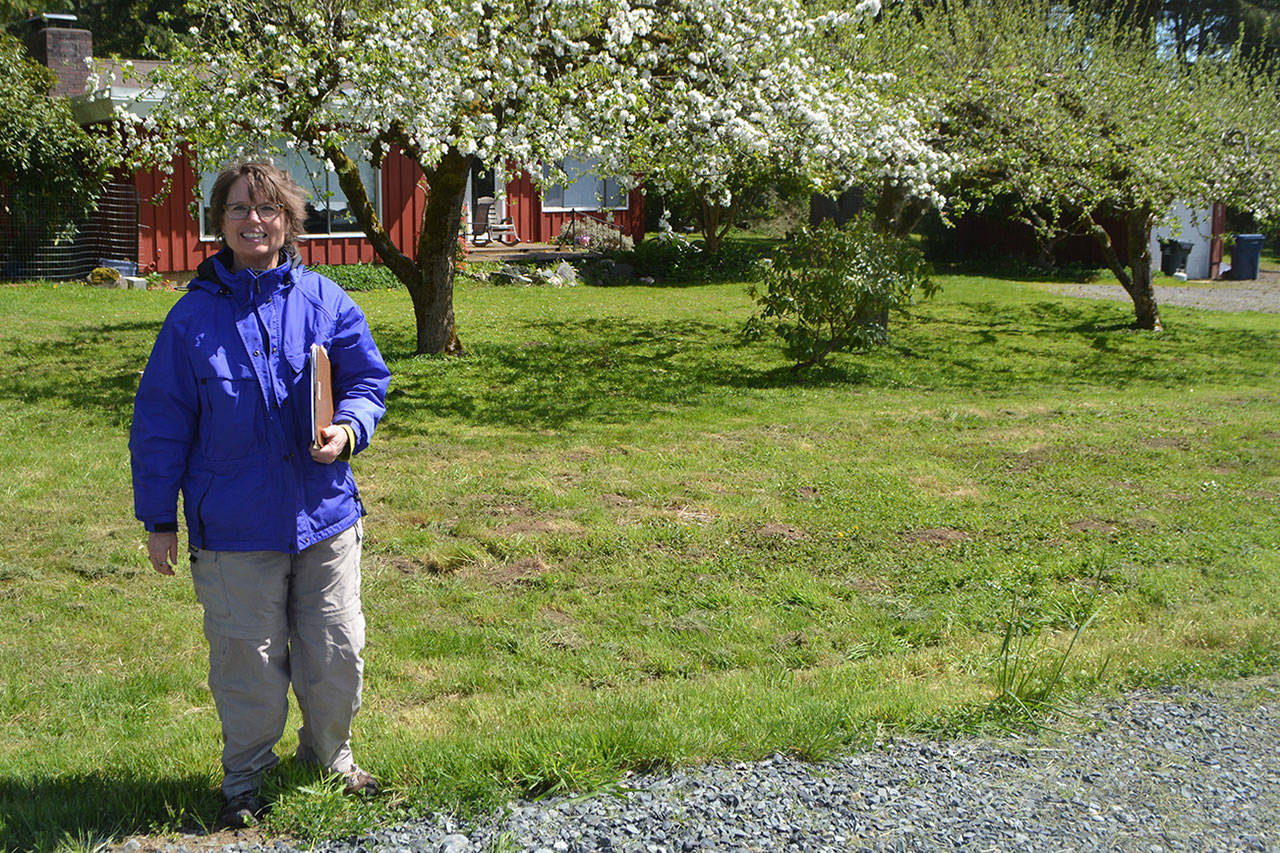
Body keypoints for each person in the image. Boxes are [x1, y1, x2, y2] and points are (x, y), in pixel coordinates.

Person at [130, 160, 391, 829]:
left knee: (336, 652)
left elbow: (367, 379)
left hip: (325, 518)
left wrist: (350, 429)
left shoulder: (327, 301)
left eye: (268, 208)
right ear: (219, 222)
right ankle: (246, 777)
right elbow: (159, 425)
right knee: (248, 666)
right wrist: (160, 519)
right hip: (235, 530)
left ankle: (330, 758)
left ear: (290, 219)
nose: (255, 220)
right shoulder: (190, 322)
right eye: (241, 208)